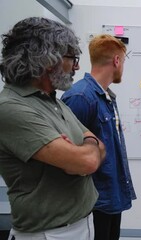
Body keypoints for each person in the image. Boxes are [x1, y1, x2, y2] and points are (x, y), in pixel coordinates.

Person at [0, 17, 106, 240]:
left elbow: (99, 148)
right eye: (71, 58)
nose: (76, 66)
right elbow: (88, 161)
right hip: (47, 233)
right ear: (47, 58)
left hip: (81, 224)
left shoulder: (53, 101)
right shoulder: (10, 108)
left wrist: (86, 147)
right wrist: (84, 153)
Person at [61, 34, 136, 240]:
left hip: (111, 195)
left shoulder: (105, 96)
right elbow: (68, 156)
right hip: (94, 201)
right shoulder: (81, 97)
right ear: (117, 61)